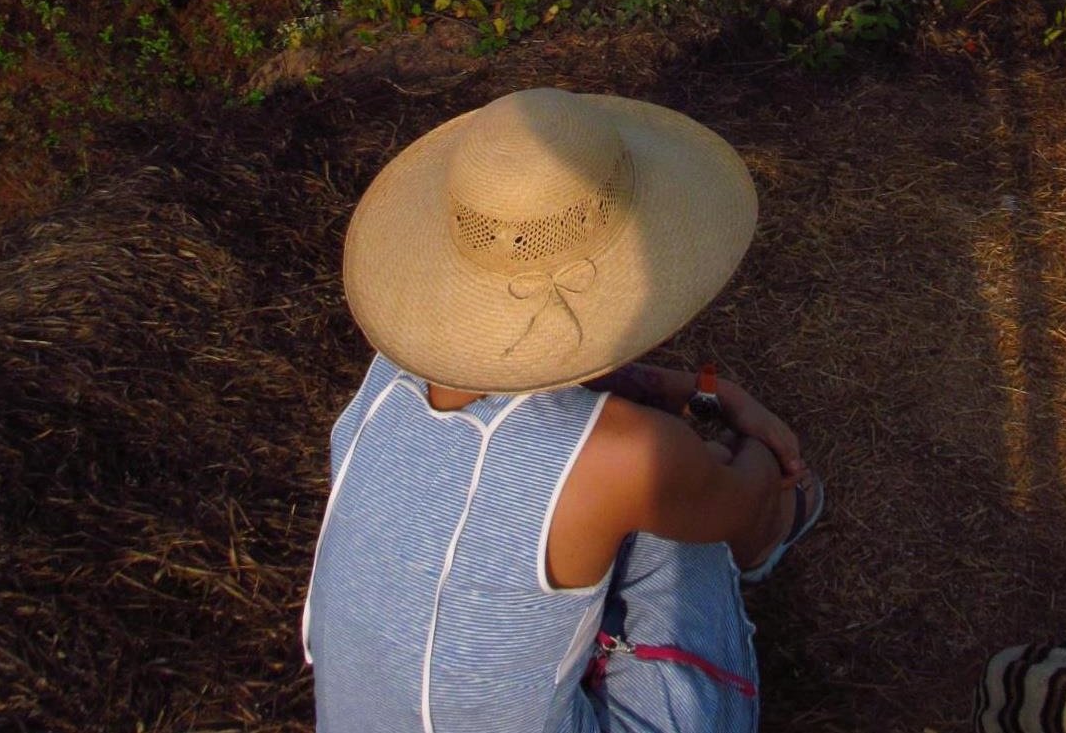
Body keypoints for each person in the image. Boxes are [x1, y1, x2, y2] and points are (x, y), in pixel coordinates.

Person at [302, 86, 824, 731]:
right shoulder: (630, 452)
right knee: (688, 521)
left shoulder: (388, 380)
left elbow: (580, 395)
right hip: (688, 489)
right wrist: (749, 438)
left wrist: (702, 388)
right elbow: (743, 506)